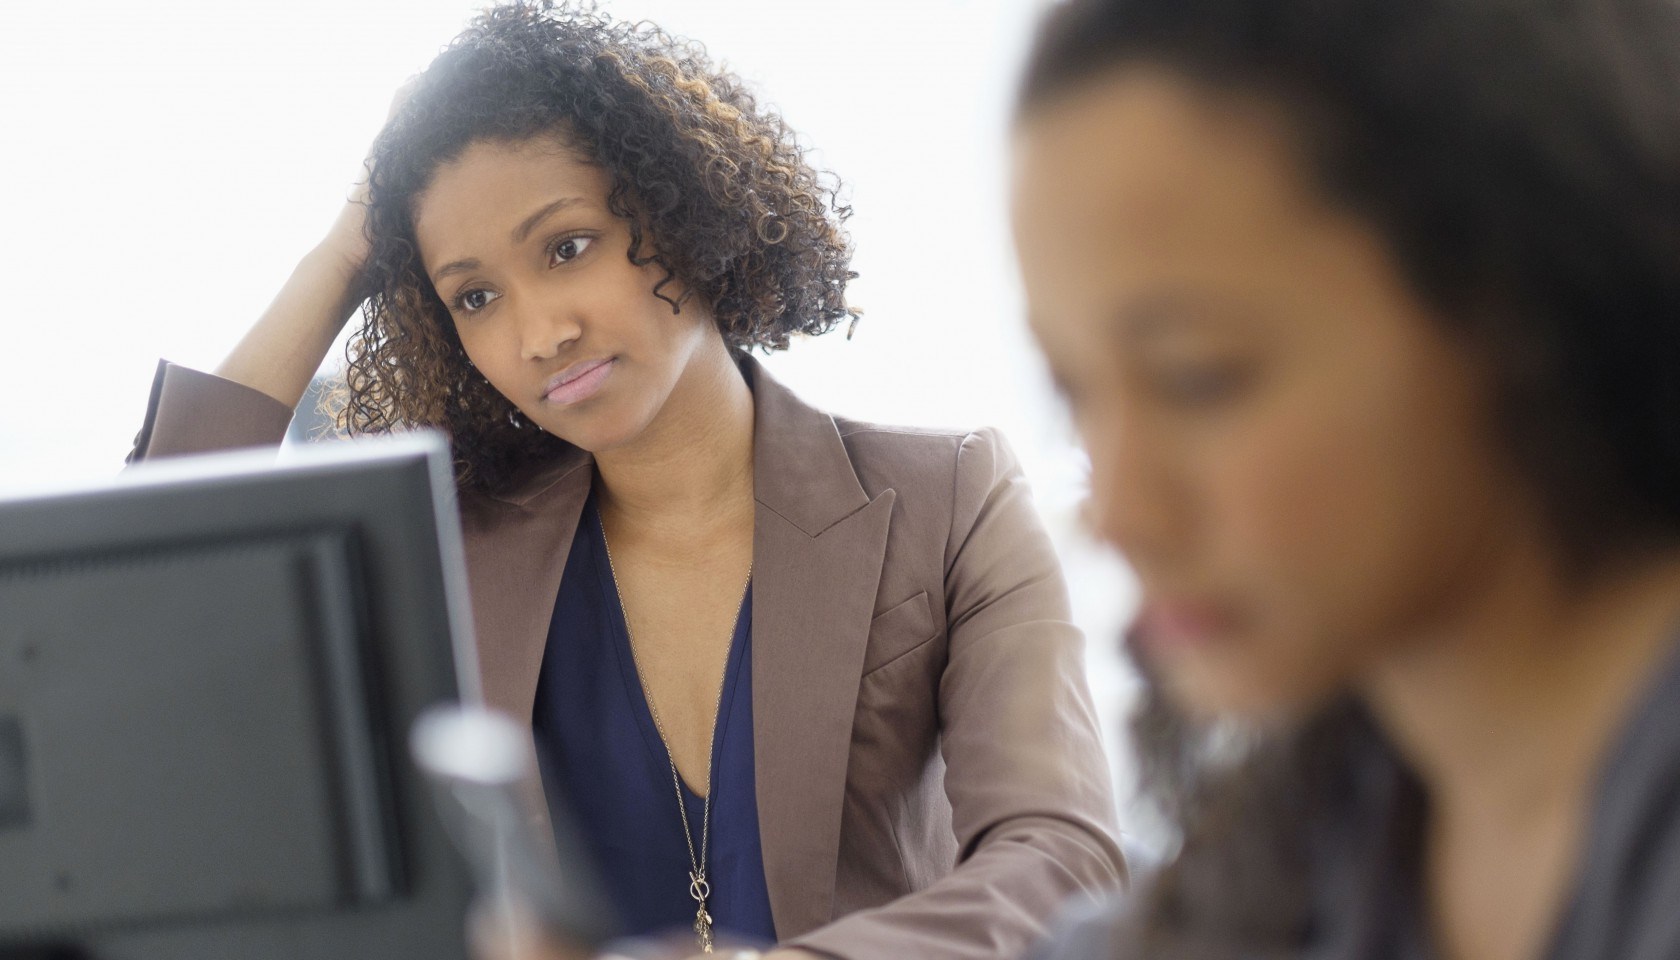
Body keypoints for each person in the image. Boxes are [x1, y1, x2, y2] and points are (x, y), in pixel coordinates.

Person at [128, 3, 1125, 958]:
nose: (538, 334)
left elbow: (1062, 861)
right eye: (474, 296)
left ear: (683, 210)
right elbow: (146, 592)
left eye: (568, 248)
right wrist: (348, 248)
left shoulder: (948, 498)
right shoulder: (449, 547)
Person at [1008, 0, 1680, 958]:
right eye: (1071, 390)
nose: (1116, 513)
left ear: (1514, 302)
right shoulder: (1335, 820)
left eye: (1199, 377)